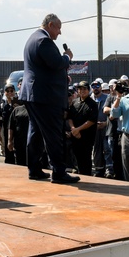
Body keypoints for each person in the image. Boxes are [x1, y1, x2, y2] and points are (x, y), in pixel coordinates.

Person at [19, 13, 79, 184]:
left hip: (33, 94)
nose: (59, 33)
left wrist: (61, 77)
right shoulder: (44, 41)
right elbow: (57, 62)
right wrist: (67, 56)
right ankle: (59, 172)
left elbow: (44, 68)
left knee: (35, 133)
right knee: (53, 134)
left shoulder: (33, 38)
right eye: (58, 28)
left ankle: (34, 169)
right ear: (51, 25)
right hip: (45, 96)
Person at [66, 81, 98, 176]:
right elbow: (69, 117)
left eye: (84, 89)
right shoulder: (74, 102)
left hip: (86, 137)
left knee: (86, 160)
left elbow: (92, 120)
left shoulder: (92, 104)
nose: (82, 91)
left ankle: (87, 178)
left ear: (88, 90)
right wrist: (73, 129)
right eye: (80, 89)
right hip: (75, 135)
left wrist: (78, 129)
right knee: (76, 159)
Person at [0, 83, 19, 164]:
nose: (10, 92)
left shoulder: (20, 103)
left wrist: (18, 108)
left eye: (11, 90)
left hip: (18, 133)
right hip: (6, 133)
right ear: (4, 92)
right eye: (7, 91)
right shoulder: (2, 105)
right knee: (8, 153)